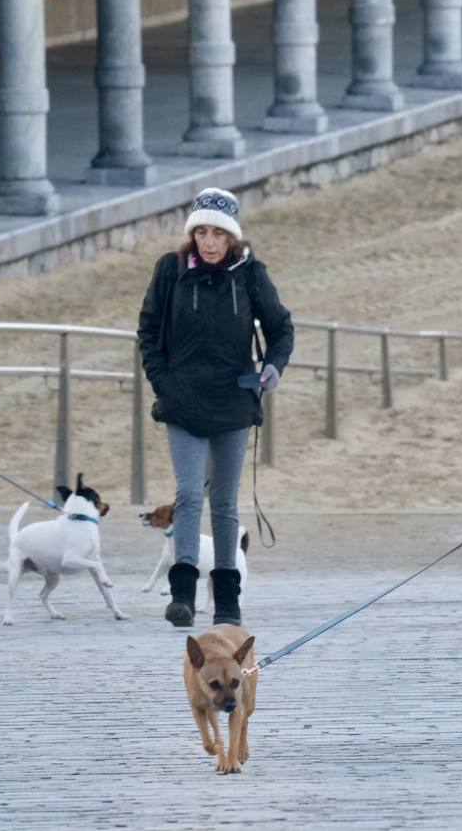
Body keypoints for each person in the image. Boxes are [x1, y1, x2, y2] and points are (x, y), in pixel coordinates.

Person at [137, 188, 294, 628]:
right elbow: (148, 330)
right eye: (202, 232)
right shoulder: (170, 270)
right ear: (192, 234)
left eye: (219, 234)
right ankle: (182, 595)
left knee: (223, 501)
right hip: (182, 400)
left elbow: (281, 328)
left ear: (233, 237)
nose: (209, 242)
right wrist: (164, 382)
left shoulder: (251, 274)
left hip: (233, 401)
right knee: (189, 494)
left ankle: (227, 600)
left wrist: (273, 367)